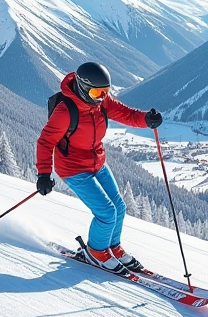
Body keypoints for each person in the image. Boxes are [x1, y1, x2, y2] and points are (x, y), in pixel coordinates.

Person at [36, 61, 163, 274]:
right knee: (106, 212)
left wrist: (146, 120)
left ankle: (113, 248)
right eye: (97, 92)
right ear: (84, 88)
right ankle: (96, 252)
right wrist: (44, 174)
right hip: (74, 169)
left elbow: (126, 114)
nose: (102, 96)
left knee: (119, 208)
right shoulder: (65, 111)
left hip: (97, 162)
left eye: (106, 91)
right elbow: (45, 142)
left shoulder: (101, 102)